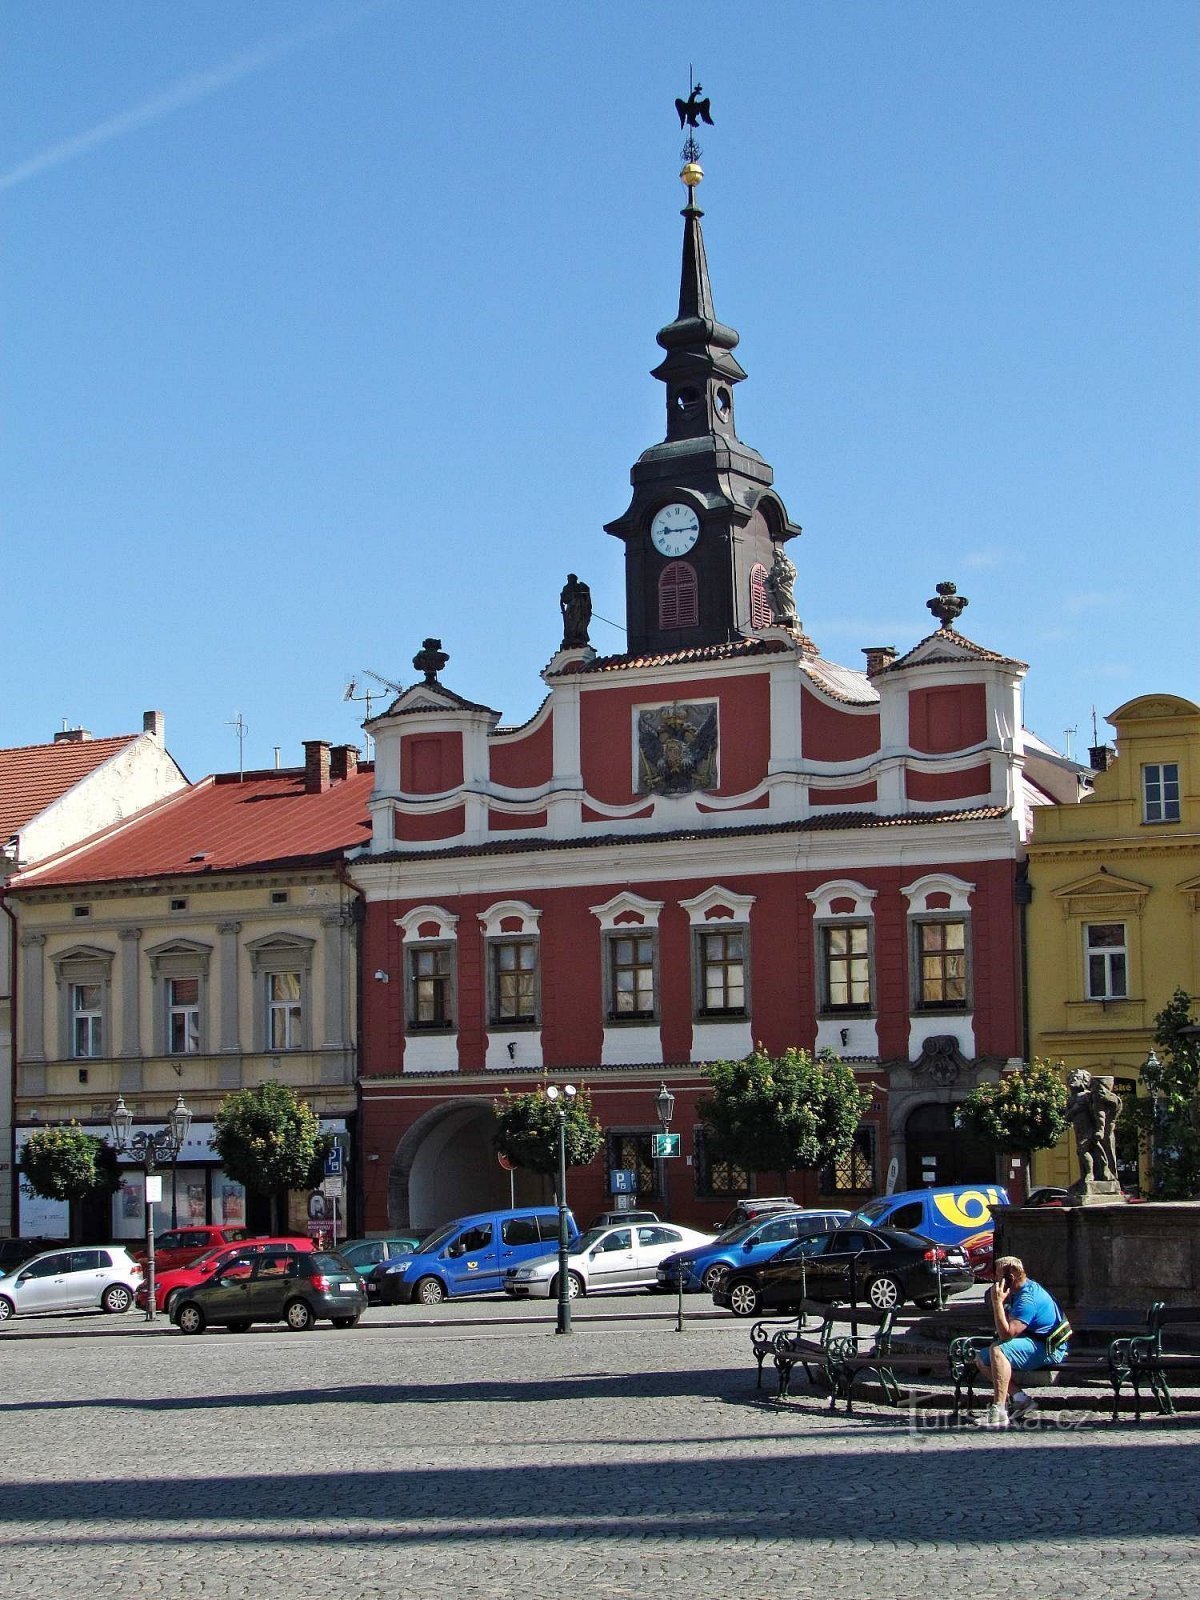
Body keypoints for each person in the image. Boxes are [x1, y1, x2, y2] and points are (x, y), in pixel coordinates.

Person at [973, 1254, 1069, 1428]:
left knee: (997, 1350)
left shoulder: (1027, 1299)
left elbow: (1006, 1334)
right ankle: (1020, 1399)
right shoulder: (1022, 1289)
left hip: (1048, 1348)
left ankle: (999, 1411)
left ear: (1009, 1279)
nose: (995, 1280)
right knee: (983, 1358)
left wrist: (997, 1304)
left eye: (998, 1276)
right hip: (1035, 1342)